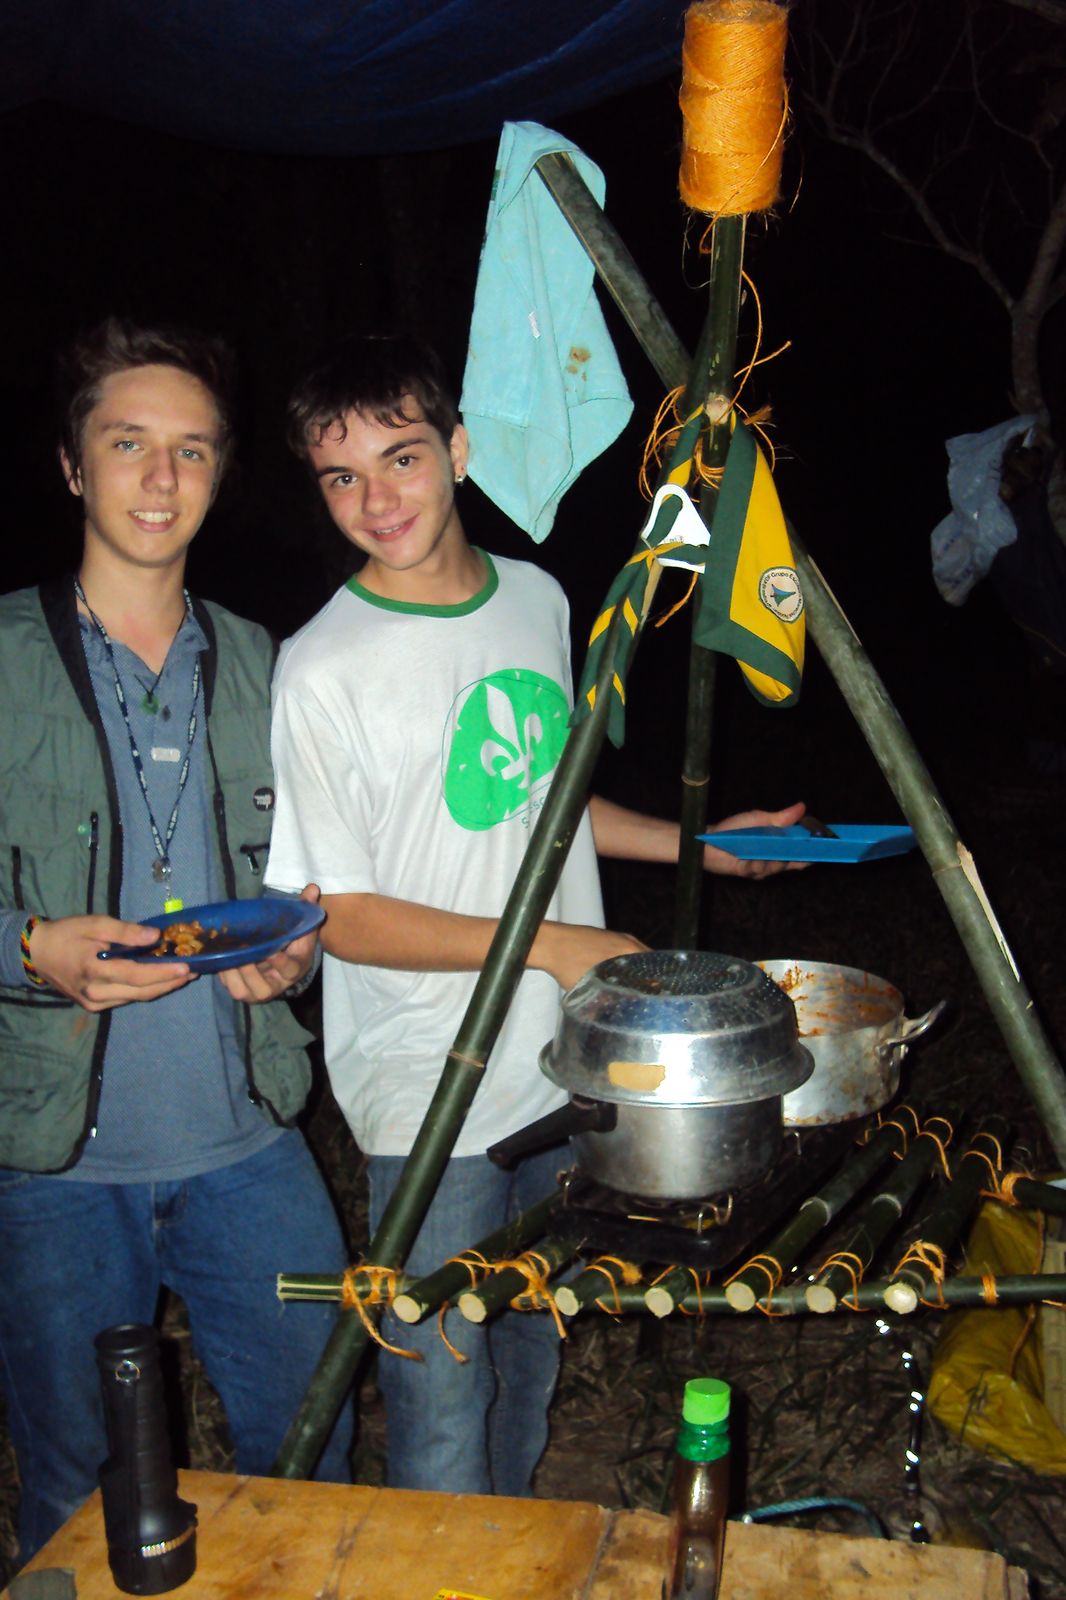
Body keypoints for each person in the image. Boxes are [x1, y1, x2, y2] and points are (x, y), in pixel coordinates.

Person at [266, 334, 805, 1498]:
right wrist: (555, 945)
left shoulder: (537, 599)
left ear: (457, 450)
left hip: (555, 1061)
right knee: (439, 1390)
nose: (377, 499)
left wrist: (701, 843)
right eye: (342, 476)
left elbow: (542, 800)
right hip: (429, 1079)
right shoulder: (320, 668)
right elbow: (338, 914)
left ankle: (504, 1549)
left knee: (527, 1344)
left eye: (402, 458)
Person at [0, 318, 351, 1567]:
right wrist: (26, 944)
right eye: (128, 443)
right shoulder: (4, 657)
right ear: (71, 465)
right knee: (75, 1492)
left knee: (309, 1459)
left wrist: (295, 954)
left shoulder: (266, 663)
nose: (161, 477)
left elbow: (305, 881)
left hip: (248, 1145)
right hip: (53, 1166)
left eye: (192, 449)